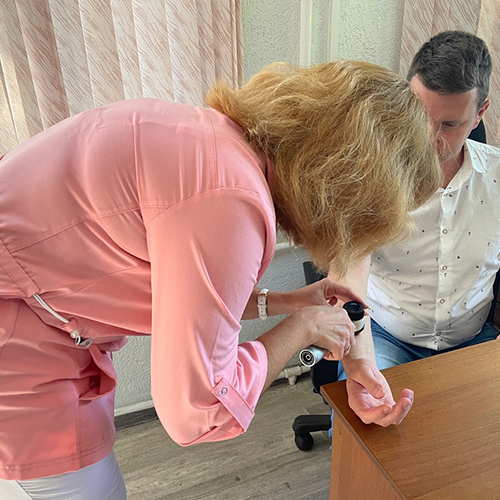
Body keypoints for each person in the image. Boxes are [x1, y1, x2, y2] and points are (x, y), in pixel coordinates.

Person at [0, 60, 440, 499]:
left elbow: (190, 298)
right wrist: (303, 327)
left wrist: (290, 301)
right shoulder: (229, 201)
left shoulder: (215, 145)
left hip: (46, 321)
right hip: (20, 342)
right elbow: (198, 411)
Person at [329, 31, 498, 426]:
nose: (428, 137)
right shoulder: (369, 175)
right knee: (372, 431)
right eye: (419, 115)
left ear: (480, 114)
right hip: (386, 338)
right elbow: (347, 280)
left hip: (474, 339)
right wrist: (360, 365)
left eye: (449, 124)